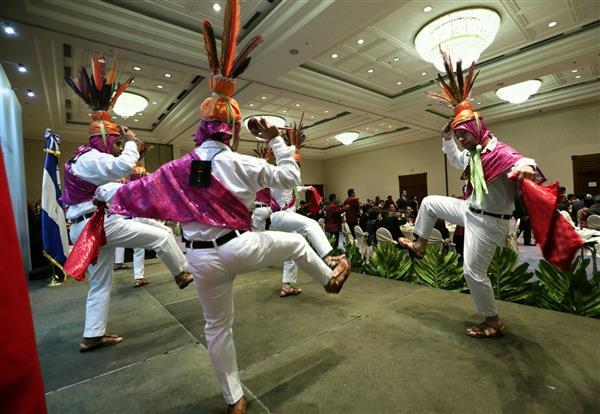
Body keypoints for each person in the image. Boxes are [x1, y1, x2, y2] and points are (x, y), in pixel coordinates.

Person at [105, 11, 351, 412]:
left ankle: (234, 400)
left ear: (200, 128)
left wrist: (108, 197)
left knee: (217, 328)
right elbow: (288, 178)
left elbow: (136, 191)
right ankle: (328, 278)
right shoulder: (244, 163)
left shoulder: (178, 168)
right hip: (240, 248)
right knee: (294, 242)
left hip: (198, 259)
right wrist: (277, 140)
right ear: (232, 131)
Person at [398, 53, 541, 338]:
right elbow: (455, 159)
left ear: (477, 128)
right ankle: (420, 244)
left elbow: (521, 161)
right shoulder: (474, 155)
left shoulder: (499, 152)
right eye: (458, 136)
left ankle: (492, 320)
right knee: (428, 202)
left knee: (473, 273)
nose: (461, 141)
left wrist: (527, 167)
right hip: (470, 209)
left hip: (489, 223)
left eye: (463, 135)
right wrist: (445, 138)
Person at [62, 56, 193, 352]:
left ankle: (91, 335)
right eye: (116, 142)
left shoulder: (82, 160)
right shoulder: (95, 158)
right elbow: (123, 166)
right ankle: (183, 272)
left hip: (88, 227)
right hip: (98, 225)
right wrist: (132, 141)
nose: (118, 146)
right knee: (161, 235)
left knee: (100, 283)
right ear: (107, 138)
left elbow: (110, 190)